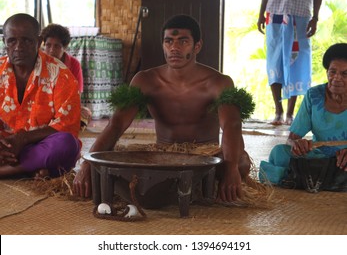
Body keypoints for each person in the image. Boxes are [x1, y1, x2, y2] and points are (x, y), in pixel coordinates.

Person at [73, 14, 256, 206]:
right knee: (111, 160)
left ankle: (203, 183)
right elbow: (117, 124)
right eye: (169, 41)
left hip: (206, 158)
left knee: (242, 162)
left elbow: (232, 125)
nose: (174, 48)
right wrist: (88, 163)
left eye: (183, 41)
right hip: (162, 157)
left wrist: (231, 167)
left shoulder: (218, 82)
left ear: (197, 46)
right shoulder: (145, 80)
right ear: (163, 45)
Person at [0, 13, 81, 178]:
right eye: (12, 41)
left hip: (39, 145)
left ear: (38, 42)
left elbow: (67, 125)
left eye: (26, 40)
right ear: (4, 42)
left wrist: (23, 139)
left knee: (67, 144)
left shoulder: (60, 74)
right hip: (5, 146)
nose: (18, 47)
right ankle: (35, 169)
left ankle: (9, 171)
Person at [259, 43, 347, 186]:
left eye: (345, 74)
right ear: (327, 72)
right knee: (279, 153)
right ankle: (326, 179)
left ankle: (298, 177)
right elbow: (291, 139)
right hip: (318, 158)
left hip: (343, 162)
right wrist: (298, 145)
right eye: (332, 72)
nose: (337, 78)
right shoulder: (314, 96)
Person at [257, 0, 330, 125]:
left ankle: (290, 113)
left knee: (297, 61)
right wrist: (261, 13)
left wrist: (315, 17)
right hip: (275, 11)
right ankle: (278, 111)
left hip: (301, 14)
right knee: (274, 61)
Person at [40, 23, 92, 129]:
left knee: (85, 113)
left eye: (57, 46)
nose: (51, 50)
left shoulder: (74, 64)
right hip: (42, 105)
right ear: (43, 45)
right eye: (48, 45)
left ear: (65, 47)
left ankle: (54, 128)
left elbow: (77, 94)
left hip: (64, 106)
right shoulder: (38, 62)